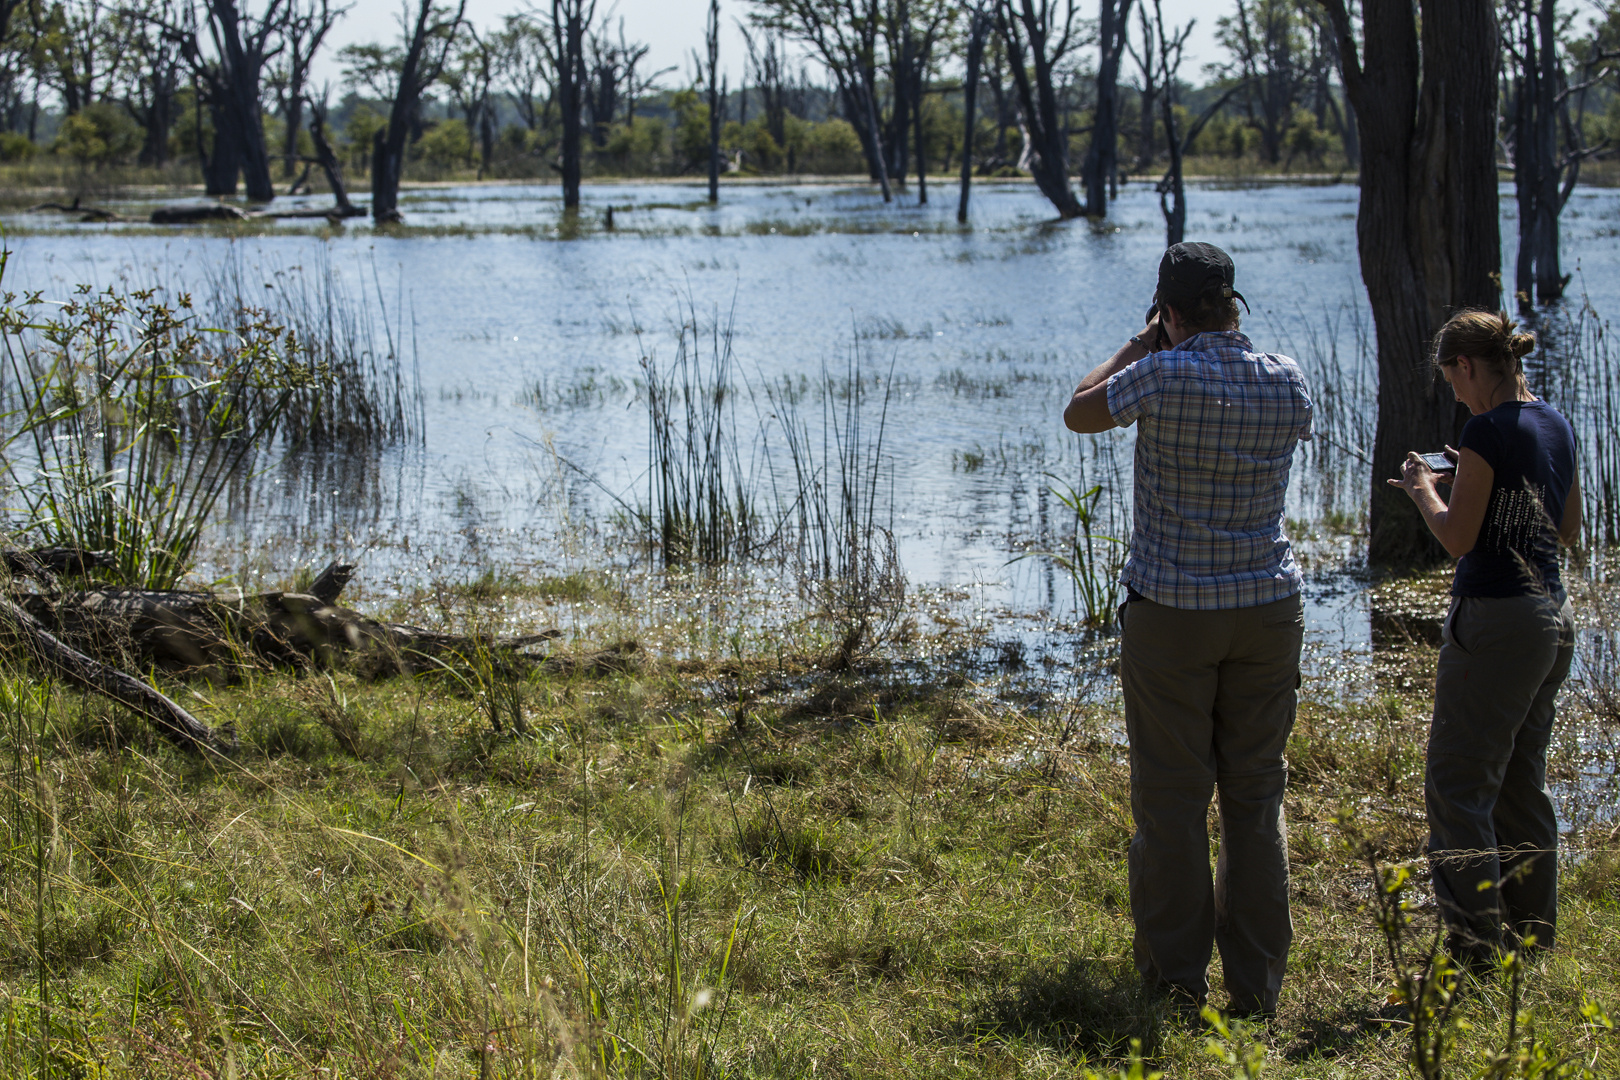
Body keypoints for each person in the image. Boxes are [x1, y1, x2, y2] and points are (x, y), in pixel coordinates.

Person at [1064, 242, 1314, 1017]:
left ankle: (1177, 983)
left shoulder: (1160, 372)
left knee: (1172, 801)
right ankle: (1257, 987)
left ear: (1169, 312)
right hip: (1267, 609)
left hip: (1173, 611)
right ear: (1232, 305)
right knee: (1254, 795)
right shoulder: (1287, 378)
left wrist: (1143, 341)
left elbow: (1079, 410)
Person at [1387, 310, 1580, 967]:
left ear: (1467, 365)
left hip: (1497, 620)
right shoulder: (1554, 422)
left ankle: (1474, 949)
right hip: (1552, 617)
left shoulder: (1484, 429)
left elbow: (1457, 538)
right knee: (1522, 784)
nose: (1456, 395)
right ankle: (1532, 942)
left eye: (1453, 380)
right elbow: (1568, 527)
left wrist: (1422, 490)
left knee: (1456, 785)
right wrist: (1472, 486)